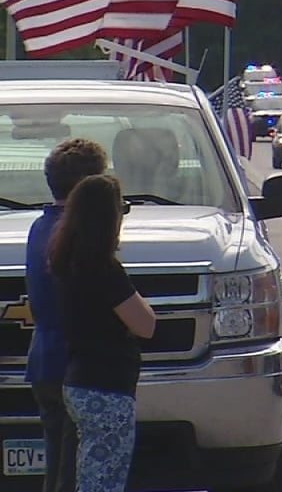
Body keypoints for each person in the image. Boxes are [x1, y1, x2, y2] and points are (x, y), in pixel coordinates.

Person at [47, 174, 156, 492]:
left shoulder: (65, 263)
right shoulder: (105, 271)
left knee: (88, 473)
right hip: (107, 390)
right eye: (121, 208)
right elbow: (145, 325)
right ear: (108, 218)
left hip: (79, 381)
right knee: (104, 479)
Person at [26, 139, 109, 492]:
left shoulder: (39, 227)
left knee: (57, 465)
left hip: (44, 358)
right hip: (75, 363)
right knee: (75, 471)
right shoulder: (77, 234)